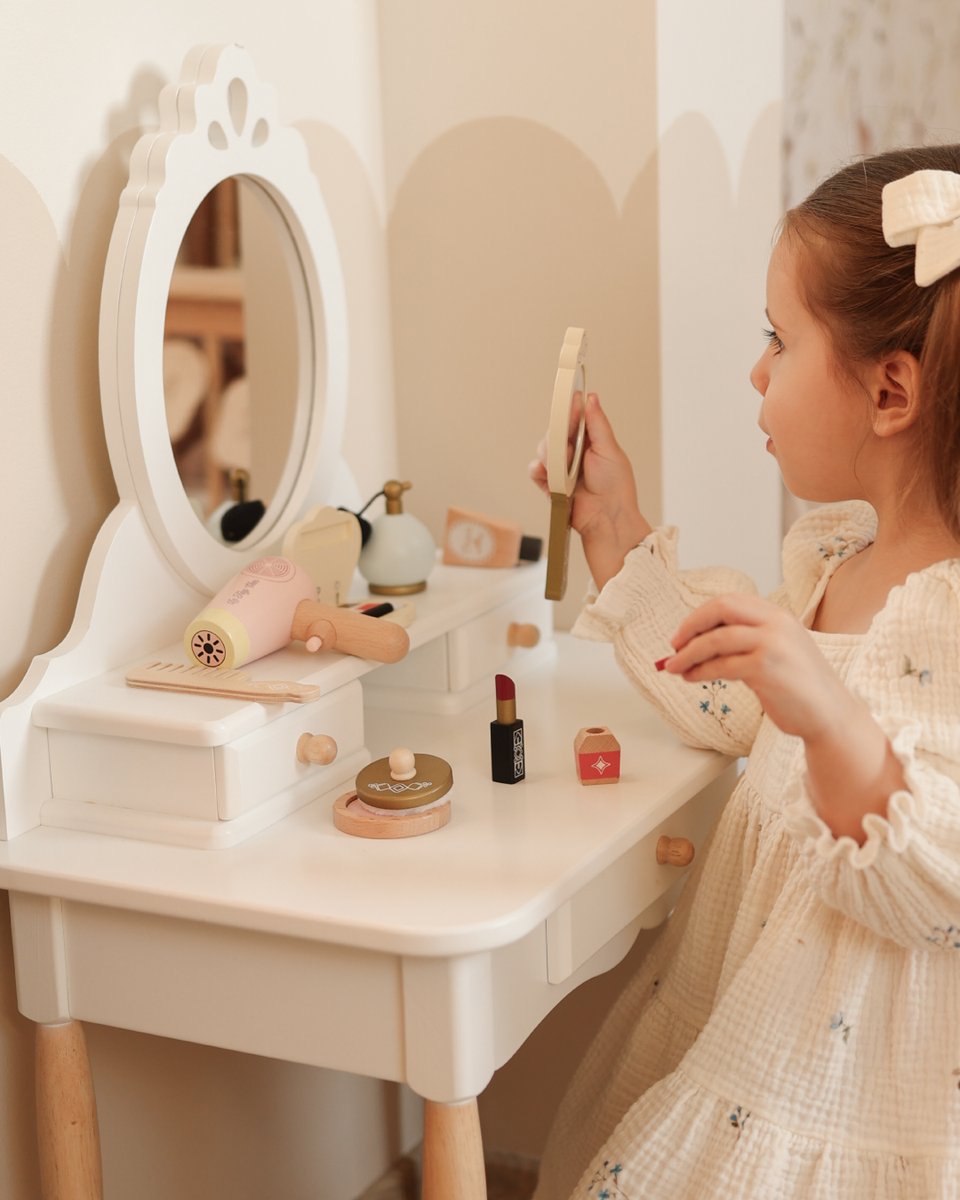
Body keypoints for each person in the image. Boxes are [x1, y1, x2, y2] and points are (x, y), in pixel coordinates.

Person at [529, 145, 960, 1198]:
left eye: (779, 340)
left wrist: (830, 721)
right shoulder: (838, 561)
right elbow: (743, 700)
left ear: (891, 389)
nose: (757, 372)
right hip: (745, 1009)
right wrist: (618, 531)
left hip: (843, 1082)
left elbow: (940, 880)